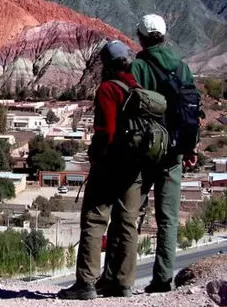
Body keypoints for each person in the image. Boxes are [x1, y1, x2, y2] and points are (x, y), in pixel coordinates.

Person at [58, 40, 142, 300]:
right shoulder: (139, 88)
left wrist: (96, 156)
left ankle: (86, 283)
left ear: (106, 63)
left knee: (95, 219)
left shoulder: (108, 89)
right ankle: (123, 283)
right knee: (127, 223)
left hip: (110, 165)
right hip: (135, 166)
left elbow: (106, 131)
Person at [130, 14, 198, 293]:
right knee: (167, 219)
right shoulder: (183, 68)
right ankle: (162, 280)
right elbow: (192, 111)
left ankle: (121, 279)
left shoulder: (138, 68)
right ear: (165, 35)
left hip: (143, 154)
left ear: (142, 38)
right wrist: (191, 146)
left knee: (130, 215)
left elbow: (129, 111)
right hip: (174, 155)